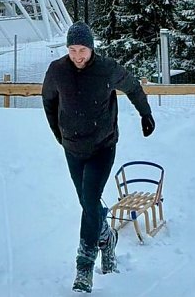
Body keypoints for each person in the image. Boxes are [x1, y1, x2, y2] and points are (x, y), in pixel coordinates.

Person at [42, 21, 155, 293]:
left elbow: (133, 87)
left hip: (102, 147)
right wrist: (61, 135)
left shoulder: (107, 69)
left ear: (91, 48)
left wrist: (145, 113)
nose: (77, 56)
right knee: (87, 204)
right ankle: (107, 237)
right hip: (73, 148)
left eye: (82, 49)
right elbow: (49, 102)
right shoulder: (57, 71)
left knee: (90, 200)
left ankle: (84, 266)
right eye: (72, 50)